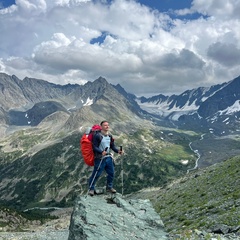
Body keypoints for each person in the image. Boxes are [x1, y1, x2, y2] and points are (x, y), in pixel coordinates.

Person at [88, 120, 123, 196]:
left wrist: (118, 151)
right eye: (105, 125)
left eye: (108, 125)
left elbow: (112, 146)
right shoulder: (98, 136)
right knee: (96, 174)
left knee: (111, 173)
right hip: (100, 158)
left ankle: (109, 187)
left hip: (108, 157)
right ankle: (91, 188)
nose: (107, 126)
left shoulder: (109, 136)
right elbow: (94, 147)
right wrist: (101, 152)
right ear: (101, 127)